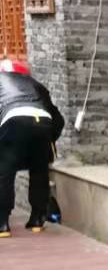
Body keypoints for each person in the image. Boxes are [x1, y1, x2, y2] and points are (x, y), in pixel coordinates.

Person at [0, 58, 64, 238]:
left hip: (12, 119)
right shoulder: (36, 85)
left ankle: (2, 223)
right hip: (43, 121)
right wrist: (49, 141)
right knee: (39, 169)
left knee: (4, 172)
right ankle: (37, 219)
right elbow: (58, 119)